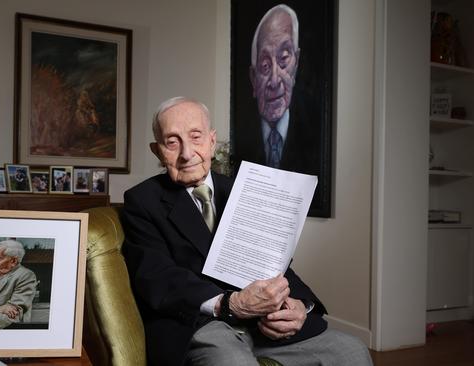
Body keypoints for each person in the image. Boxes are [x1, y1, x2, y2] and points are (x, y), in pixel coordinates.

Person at [121, 96, 372, 366]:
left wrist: (301, 306)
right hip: (198, 325)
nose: (186, 153)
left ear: (212, 141)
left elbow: (277, 264)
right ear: (157, 151)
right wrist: (230, 304)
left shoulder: (245, 189)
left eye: (196, 137)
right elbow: (157, 277)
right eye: (172, 142)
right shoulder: (142, 201)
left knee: (352, 351)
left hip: (263, 324)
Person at [247, 4, 320, 174]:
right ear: (253, 78)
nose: (274, 80)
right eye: (265, 65)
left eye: (284, 59)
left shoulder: (313, 129)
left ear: (297, 62)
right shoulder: (242, 137)